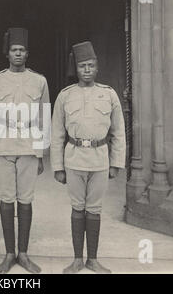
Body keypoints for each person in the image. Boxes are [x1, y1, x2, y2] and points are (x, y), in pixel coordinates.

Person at [50, 41, 126, 274]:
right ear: (77, 68)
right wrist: (58, 166)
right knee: (77, 208)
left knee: (94, 209)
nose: (86, 70)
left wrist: (116, 163)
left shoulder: (109, 94)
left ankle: (92, 259)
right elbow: (57, 133)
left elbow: (118, 132)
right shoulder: (65, 96)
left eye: (91, 65)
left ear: (97, 67)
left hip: (100, 159)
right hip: (73, 159)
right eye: (82, 66)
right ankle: (76, 260)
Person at [0, 27, 50, 274]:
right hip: (3, 144)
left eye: (22, 50)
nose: (18, 54)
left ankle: (23, 253)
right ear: (7, 53)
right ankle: (9, 253)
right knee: (6, 200)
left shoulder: (39, 80)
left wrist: (41, 152)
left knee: (25, 200)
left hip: (29, 144)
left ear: (28, 53)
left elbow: (44, 117)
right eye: (14, 50)